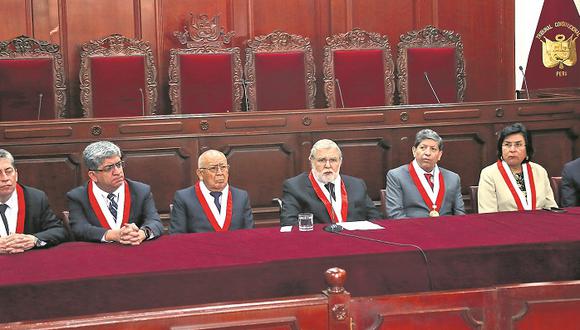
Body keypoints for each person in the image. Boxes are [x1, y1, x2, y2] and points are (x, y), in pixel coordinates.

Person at [67, 141, 163, 244]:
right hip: (98, 254)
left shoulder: (141, 191)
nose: (117, 172)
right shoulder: (77, 197)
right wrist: (113, 235)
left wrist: (142, 233)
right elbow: (79, 229)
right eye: (109, 168)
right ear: (93, 175)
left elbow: (155, 222)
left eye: (119, 164)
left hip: (134, 250)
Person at [280, 139, 380, 226]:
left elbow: (376, 219)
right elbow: (288, 223)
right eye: (322, 160)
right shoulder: (294, 187)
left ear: (340, 161)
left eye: (333, 160)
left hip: (356, 242)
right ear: (311, 161)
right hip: (317, 243)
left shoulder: (357, 185)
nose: (328, 165)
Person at [478, 123, 557, 213]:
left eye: (518, 144)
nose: (512, 149)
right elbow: (488, 215)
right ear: (501, 148)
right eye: (507, 145)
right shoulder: (489, 174)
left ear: (527, 148)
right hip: (505, 225)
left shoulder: (539, 171)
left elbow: (551, 208)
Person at [385, 129, 465, 219]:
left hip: (447, 229)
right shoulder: (397, 176)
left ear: (439, 155)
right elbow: (395, 215)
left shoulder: (453, 178)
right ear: (414, 151)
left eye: (433, 149)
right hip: (412, 230)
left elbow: (460, 214)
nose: (427, 153)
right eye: (423, 148)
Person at [0, 149, 67, 253]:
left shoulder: (35, 198)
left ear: (16, 174)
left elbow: (58, 231)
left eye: (9, 172)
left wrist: (34, 239)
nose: (5, 178)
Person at [170, 150, 253, 233]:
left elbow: (249, 234)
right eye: (213, 168)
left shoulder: (241, 197)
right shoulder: (184, 198)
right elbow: (177, 237)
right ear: (200, 174)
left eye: (223, 167)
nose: (220, 173)